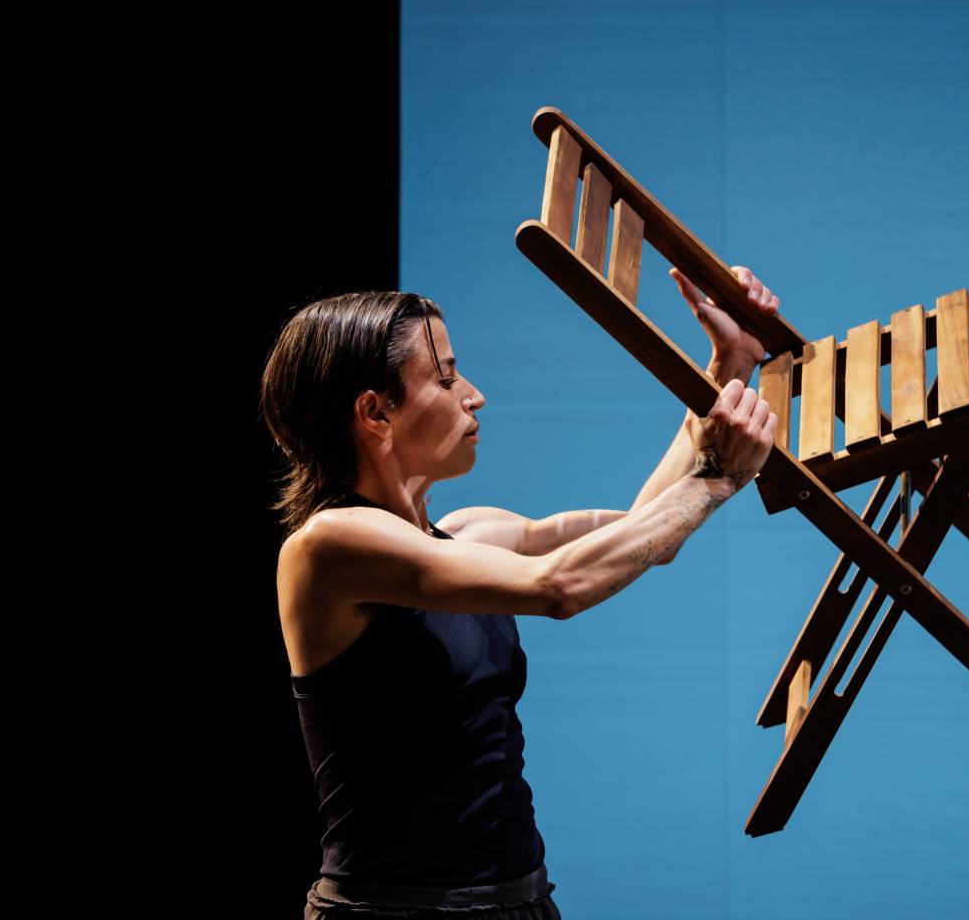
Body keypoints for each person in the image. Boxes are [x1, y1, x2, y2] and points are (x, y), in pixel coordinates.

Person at [260, 265, 782, 919]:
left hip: (519, 901)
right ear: (375, 412)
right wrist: (715, 480)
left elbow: (646, 535)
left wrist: (730, 365)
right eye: (446, 378)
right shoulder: (328, 548)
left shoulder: (468, 533)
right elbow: (560, 585)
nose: (474, 395)